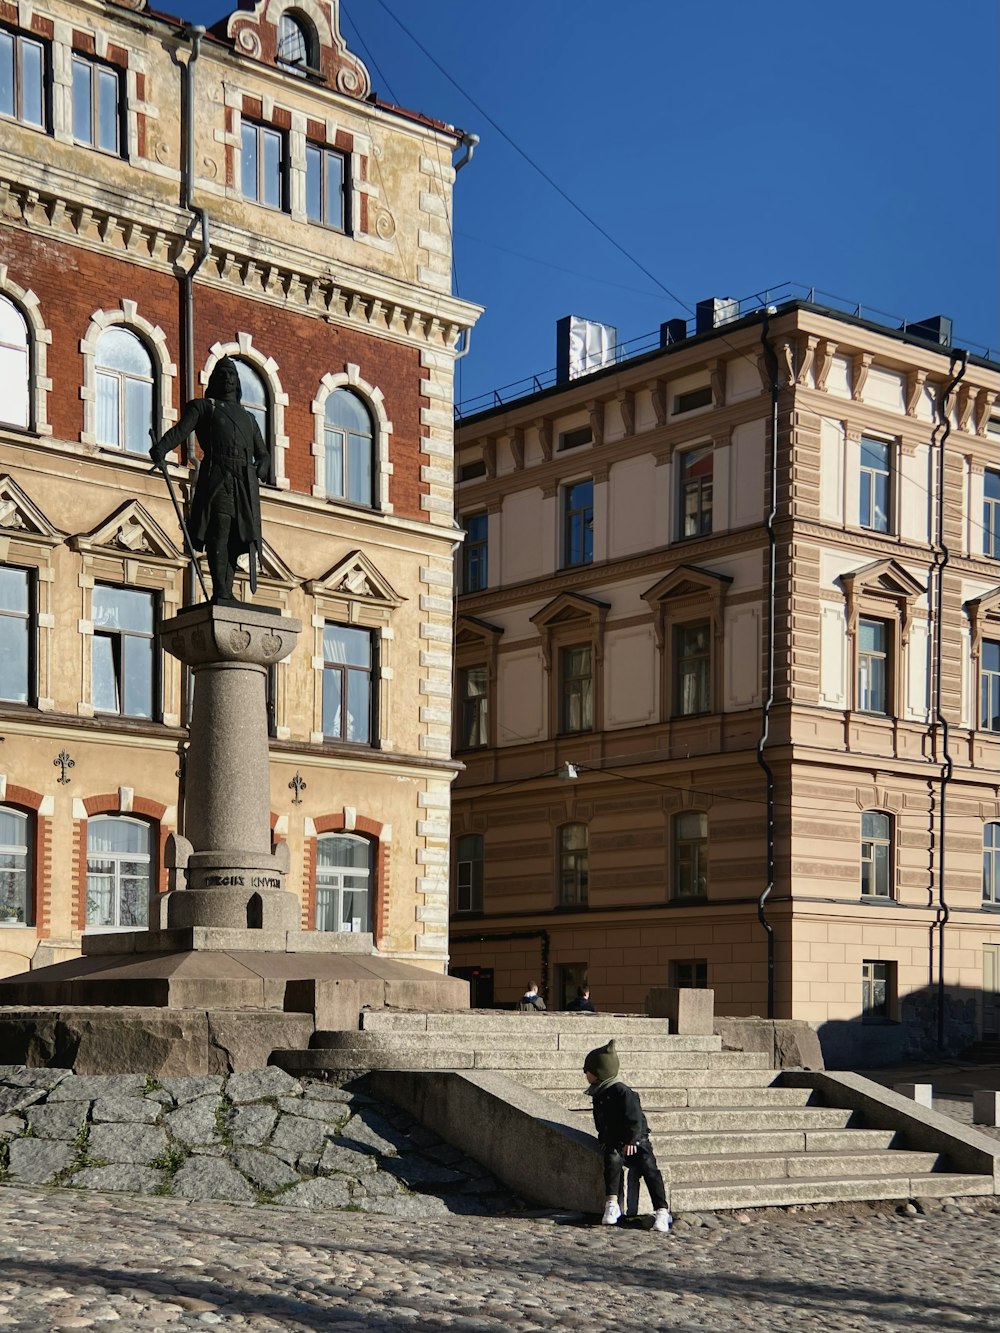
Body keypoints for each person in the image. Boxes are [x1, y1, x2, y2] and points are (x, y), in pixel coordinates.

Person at [150, 356, 270, 604]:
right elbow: (181, 431)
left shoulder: (249, 419)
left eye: (232, 375)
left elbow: (264, 454)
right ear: (215, 381)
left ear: (237, 383)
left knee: (237, 539)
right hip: (219, 477)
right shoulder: (205, 407)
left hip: (245, 485)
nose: (227, 378)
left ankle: (227, 591)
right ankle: (222, 592)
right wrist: (161, 448)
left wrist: (262, 467)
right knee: (221, 530)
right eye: (223, 374)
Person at [584, 1038, 671, 1233]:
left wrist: (633, 1139)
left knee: (649, 1167)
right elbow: (602, 1122)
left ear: (599, 1072)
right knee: (612, 1161)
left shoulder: (622, 1091)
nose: (585, 1074)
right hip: (615, 1141)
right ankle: (612, 1203)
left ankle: (662, 1210)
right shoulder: (599, 1093)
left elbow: (634, 1118)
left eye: (587, 1070)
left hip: (637, 1139)